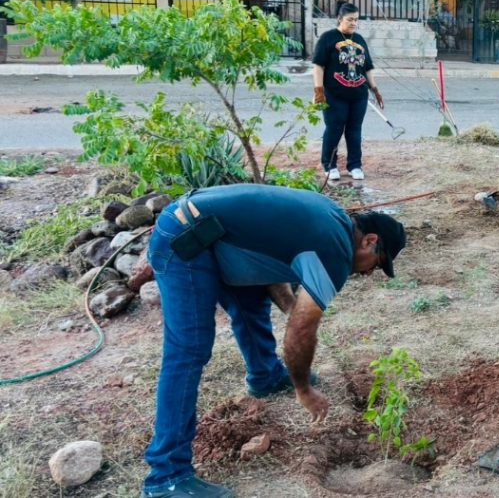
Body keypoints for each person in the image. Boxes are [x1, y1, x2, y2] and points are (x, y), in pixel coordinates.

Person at [140, 184, 406, 498]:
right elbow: (300, 332)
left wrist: (294, 310)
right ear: (370, 241)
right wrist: (303, 389)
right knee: (189, 349)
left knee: (251, 302)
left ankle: (266, 377)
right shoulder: (336, 250)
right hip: (187, 238)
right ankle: (167, 476)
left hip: (214, 234)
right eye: (378, 263)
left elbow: (273, 256)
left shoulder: (333, 219)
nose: (370, 273)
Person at [313, 1, 385, 181]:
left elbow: (367, 67)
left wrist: (375, 90)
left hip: (359, 95)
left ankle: (355, 165)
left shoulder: (359, 40)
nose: (354, 23)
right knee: (334, 129)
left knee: (355, 130)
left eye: (356, 20)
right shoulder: (328, 38)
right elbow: (318, 66)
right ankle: (329, 165)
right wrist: (319, 90)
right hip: (335, 95)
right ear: (340, 19)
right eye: (350, 19)